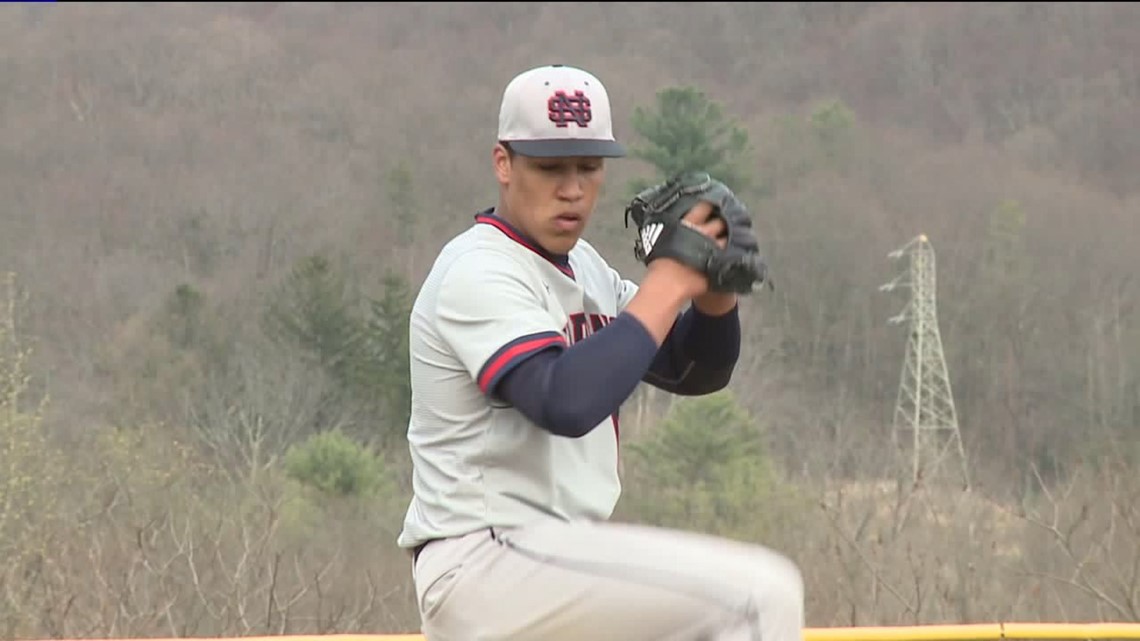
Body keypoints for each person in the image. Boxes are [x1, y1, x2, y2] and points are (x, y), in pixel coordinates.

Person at [397, 63, 804, 641]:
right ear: (503, 164)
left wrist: (713, 291)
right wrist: (669, 279)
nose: (572, 188)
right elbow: (563, 399)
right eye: (549, 167)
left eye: (589, 167)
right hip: (485, 560)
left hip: (555, 558)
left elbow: (691, 369)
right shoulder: (478, 269)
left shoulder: (585, 266)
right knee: (759, 596)